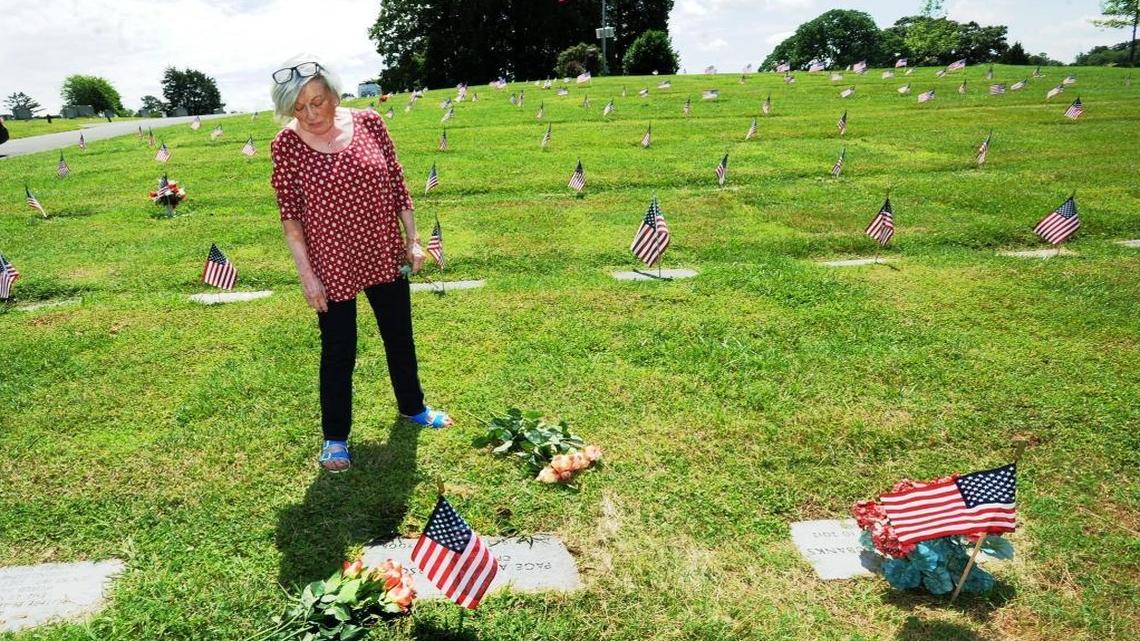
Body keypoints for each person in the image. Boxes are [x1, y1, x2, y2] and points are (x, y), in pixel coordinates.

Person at [269, 56, 454, 472]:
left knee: (398, 335)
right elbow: (291, 218)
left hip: (383, 249)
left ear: (334, 93)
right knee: (338, 349)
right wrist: (307, 275)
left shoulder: (371, 122)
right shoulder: (286, 145)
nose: (311, 114)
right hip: (331, 261)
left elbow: (398, 184)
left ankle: (414, 407)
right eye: (298, 108)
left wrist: (414, 239)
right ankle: (335, 437)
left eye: (317, 101)